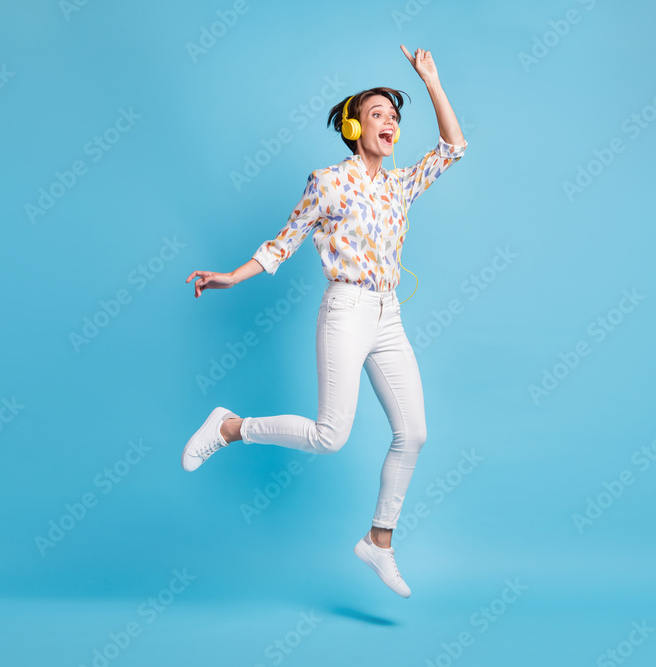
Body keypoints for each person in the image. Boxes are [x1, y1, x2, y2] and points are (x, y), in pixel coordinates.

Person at [183, 45, 467, 598]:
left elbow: (454, 147)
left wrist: (431, 80)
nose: (390, 123)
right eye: (380, 114)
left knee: (414, 433)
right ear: (355, 125)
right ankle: (228, 427)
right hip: (346, 309)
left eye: (395, 117)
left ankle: (378, 542)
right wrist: (233, 277)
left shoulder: (399, 184)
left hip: (388, 315)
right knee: (331, 435)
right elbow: (284, 242)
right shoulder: (328, 181)